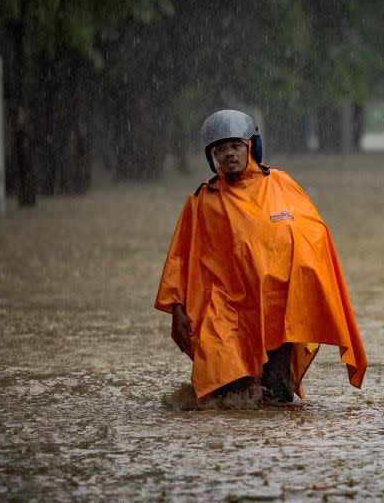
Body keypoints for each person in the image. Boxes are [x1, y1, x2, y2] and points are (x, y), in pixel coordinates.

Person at [154, 109, 367, 402]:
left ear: (250, 146)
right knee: (222, 387)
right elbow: (181, 256)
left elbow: (313, 233)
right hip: (227, 308)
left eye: (235, 146)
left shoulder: (281, 183)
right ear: (212, 156)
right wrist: (177, 308)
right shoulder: (202, 201)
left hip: (277, 308)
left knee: (276, 394)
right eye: (220, 149)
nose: (229, 154)